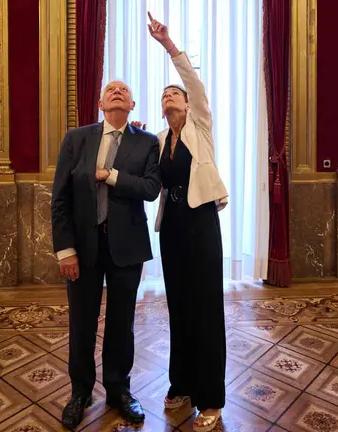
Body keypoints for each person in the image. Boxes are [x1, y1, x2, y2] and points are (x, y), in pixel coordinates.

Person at [51, 79, 161, 429]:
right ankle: (80, 393)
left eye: (124, 90)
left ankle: (118, 390)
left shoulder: (147, 142)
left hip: (126, 248)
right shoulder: (77, 139)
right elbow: (61, 198)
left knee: (121, 324)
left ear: (132, 105)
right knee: (81, 323)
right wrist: (65, 250)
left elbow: (150, 188)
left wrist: (112, 176)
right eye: (110, 89)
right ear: (100, 103)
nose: (117, 91)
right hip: (82, 248)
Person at [148, 12, 229, 432]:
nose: (168, 98)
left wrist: (168, 45)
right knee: (177, 307)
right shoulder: (160, 140)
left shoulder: (200, 125)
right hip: (173, 228)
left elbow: (194, 84)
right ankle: (180, 386)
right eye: (163, 95)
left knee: (205, 309)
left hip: (201, 224)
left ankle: (211, 399)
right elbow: (146, 175)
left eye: (173, 93)